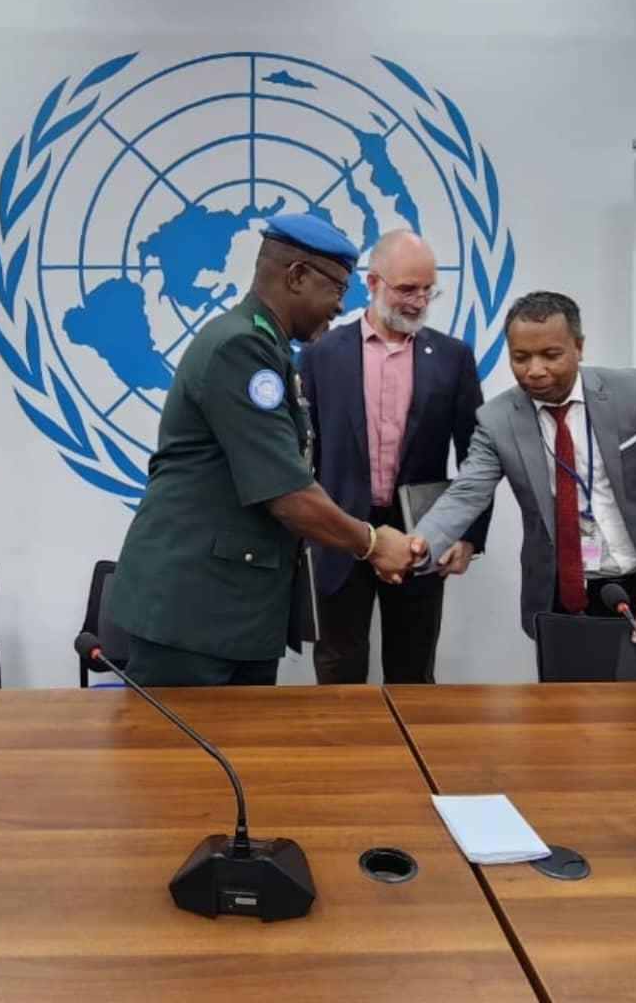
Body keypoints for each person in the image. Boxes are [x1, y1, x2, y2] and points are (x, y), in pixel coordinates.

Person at [108, 214, 417, 686]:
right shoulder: (242, 348)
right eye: (336, 288)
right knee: (178, 740)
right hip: (195, 616)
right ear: (297, 276)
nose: (340, 306)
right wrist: (372, 543)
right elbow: (287, 494)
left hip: (232, 613)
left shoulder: (266, 347)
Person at [412, 291, 636, 652]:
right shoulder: (496, 420)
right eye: (520, 357)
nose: (535, 370)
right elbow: (467, 493)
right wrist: (419, 543)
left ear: (579, 347)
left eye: (550, 355)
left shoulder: (635, 392)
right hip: (564, 601)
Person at [297, 230, 490, 683]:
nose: (419, 301)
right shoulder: (321, 355)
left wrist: (467, 536)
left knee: (414, 673)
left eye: (428, 290)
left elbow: (478, 457)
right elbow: (302, 454)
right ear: (372, 283)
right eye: (407, 289)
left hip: (422, 539)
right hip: (339, 535)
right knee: (338, 670)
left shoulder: (453, 358)